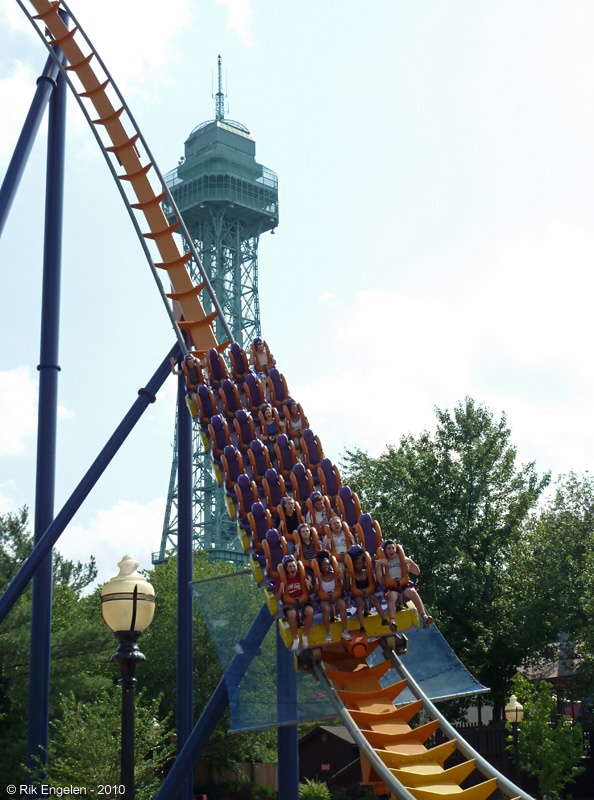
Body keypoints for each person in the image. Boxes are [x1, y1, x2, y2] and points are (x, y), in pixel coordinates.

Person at [375, 540, 434, 629]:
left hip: (404, 584)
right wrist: (379, 565)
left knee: (412, 592)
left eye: (393, 548)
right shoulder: (383, 561)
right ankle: (392, 621)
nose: (391, 550)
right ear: (385, 551)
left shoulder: (401, 558)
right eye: (389, 549)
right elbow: (379, 578)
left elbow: (417, 572)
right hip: (392, 586)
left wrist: (410, 561)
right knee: (392, 596)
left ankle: (424, 616)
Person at [275, 554, 314, 651]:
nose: (292, 568)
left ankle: (305, 635)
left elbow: (311, 592)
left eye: (294, 566)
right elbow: (277, 598)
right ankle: (295, 638)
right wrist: (281, 589)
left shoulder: (302, 576)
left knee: (310, 611)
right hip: (290, 604)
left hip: (303, 601)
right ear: (286, 569)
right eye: (290, 567)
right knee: (292, 614)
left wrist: (309, 585)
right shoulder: (281, 580)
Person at [344, 546, 387, 632]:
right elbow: (347, 587)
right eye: (357, 564)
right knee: (360, 603)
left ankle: (384, 619)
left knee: (375, 599)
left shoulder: (366, 573)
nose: (359, 566)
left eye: (361, 564)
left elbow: (374, 584)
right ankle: (362, 626)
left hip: (368, 592)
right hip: (357, 594)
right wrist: (348, 579)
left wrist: (373, 575)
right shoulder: (352, 574)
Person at [315, 551, 351, 643]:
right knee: (326, 609)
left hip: (336, 596)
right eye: (323, 566)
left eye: (327, 565)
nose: (326, 567)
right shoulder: (319, 577)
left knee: (342, 605)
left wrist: (343, 579)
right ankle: (328, 633)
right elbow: (314, 591)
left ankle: (345, 630)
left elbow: (343, 588)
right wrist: (313, 587)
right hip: (324, 598)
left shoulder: (335, 575)